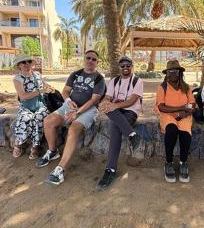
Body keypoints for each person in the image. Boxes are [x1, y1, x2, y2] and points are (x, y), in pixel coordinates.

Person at [36, 50, 106, 185]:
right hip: (70, 106)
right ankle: (52, 151)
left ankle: (60, 170)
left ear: (97, 62)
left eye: (94, 59)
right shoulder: (75, 74)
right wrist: (68, 102)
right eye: (88, 58)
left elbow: (94, 100)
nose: (90, 61)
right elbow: (65, 91)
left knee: (73, 129)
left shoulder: (99, 78)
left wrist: (78, 113)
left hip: (88, 110)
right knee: (48, 121)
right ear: (84, 59)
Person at [97, 56, 143, 190]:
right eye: (122, 66)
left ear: (132, 66)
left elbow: (132, 101)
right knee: (106, 107)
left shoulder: (137, 81)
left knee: (114, 126)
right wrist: (105, 102)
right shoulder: (114, 81)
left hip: (130, 112)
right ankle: (133, 135)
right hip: (116, 112)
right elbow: (108, 96)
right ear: (119, 68)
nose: (125, 68)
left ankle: (110, 169)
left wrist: (114, 106)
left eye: (128, 65)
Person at [156, 60, 195, 183]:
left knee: (185, 134)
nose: (173, 73)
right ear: (167, 73)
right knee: (171, 130)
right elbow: (161, 107)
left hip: (184, 115)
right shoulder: (162, 87)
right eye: (170, 71)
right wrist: (181, 108)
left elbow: (192, 104)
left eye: (176, 71)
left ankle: (183, 162)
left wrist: (186, 111)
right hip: (168, 116)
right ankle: (168, 162)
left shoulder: (186, 87)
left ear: (180, 73)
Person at [13, 54, 52, 159]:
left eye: (28, 62)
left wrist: (49, 88)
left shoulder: (37, 74)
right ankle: (18, 144)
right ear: (19, 66)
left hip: (40, 105)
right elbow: (23, 96)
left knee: (39, 119)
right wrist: (40, 91)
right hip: (26, 106)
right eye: (23, 62)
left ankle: (35, 147)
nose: (26, 64)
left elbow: (45, 85)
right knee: (25, 118)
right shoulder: (18, 79)